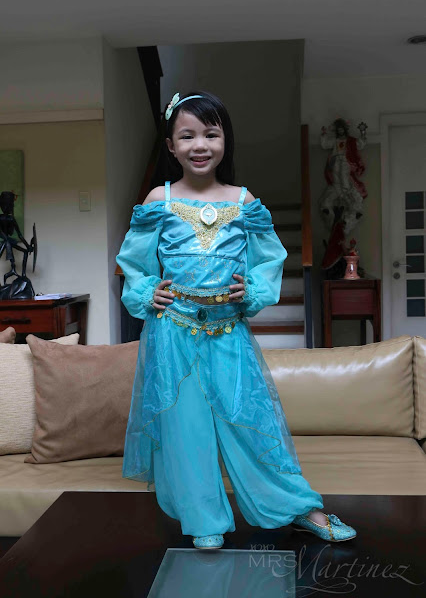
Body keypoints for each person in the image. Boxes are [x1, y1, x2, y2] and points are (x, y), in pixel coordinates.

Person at [116, 91, 357, 549]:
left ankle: (302, 508)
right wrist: (148, 291)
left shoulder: (244, 201)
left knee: (252, 422)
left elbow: (268, 259)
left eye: (211, 134)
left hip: (228, 330)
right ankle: (203, 521)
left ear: (225, 140)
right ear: (171, 146)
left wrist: (255, 290)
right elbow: (134, 262)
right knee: (185, 428)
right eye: (187, 136)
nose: (199, 145)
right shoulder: (158, 199)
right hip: (173, 332)